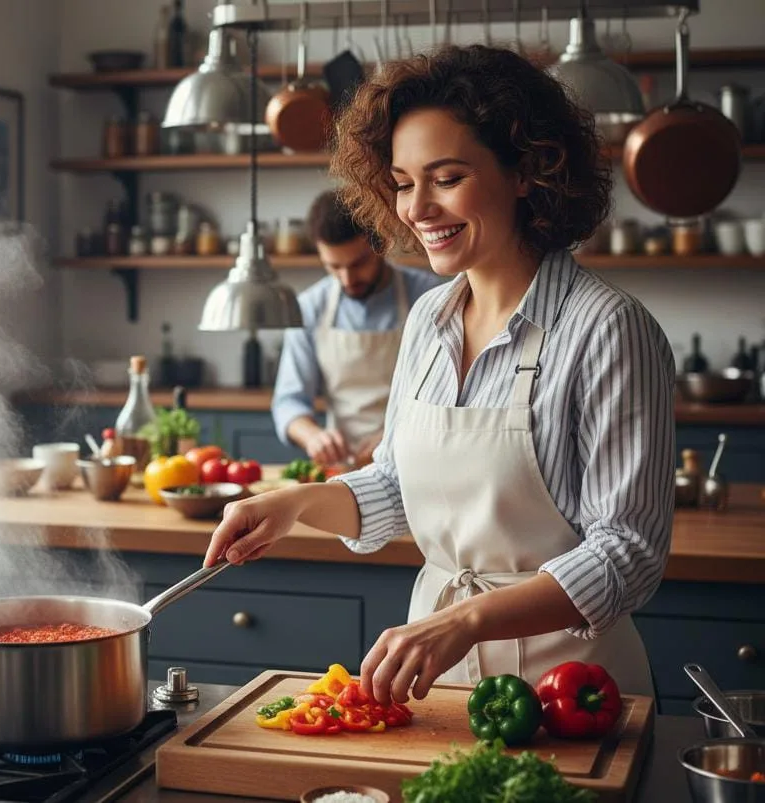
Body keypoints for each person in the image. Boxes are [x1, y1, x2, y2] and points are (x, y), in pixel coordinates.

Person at [206, 45, 675, 706]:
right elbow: (398, 483)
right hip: (442, 683)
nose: (417, 208)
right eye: (401, 182)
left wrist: (466, 620)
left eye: (446, 177)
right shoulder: (429, 317)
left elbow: (629, 551)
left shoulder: (606, 328)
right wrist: (291, 505)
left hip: (573, 692)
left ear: (525, 171)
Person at [272, 190, 442, 467]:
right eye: (333, 266)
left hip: (418, 461)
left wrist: (393, 433)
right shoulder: (309, 308)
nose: (347, 279)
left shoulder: (430, 297)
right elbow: (288, 401)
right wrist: (314, 436)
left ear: (381, 244)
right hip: (345, 468)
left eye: (358, 264)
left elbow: (449, 396)